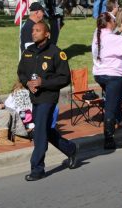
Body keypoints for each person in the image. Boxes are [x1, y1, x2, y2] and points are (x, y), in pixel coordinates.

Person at [17, 21, 78, 181]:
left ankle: (37, 168)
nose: (33, 33)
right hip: (34, 98)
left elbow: (65, 78)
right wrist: (27, 83)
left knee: (39, 133)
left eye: (38, 30)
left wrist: (43, 83)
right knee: (45, 130)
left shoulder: (56, 53)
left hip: (48, 98)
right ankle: (70, 148)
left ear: (47, 34)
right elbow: (21, 72)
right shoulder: (28, 51)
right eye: (33, 30)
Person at [92, 12, 122, 149]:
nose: (115, 23)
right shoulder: (113, 39)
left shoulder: (97, 34)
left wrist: (120, 30)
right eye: (113, 21)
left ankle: (115, 122)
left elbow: (109, 37)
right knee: (111, 106)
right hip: (114, 75)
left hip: (101, 74)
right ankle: (108, 139)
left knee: (114, 101)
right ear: (108, 23)